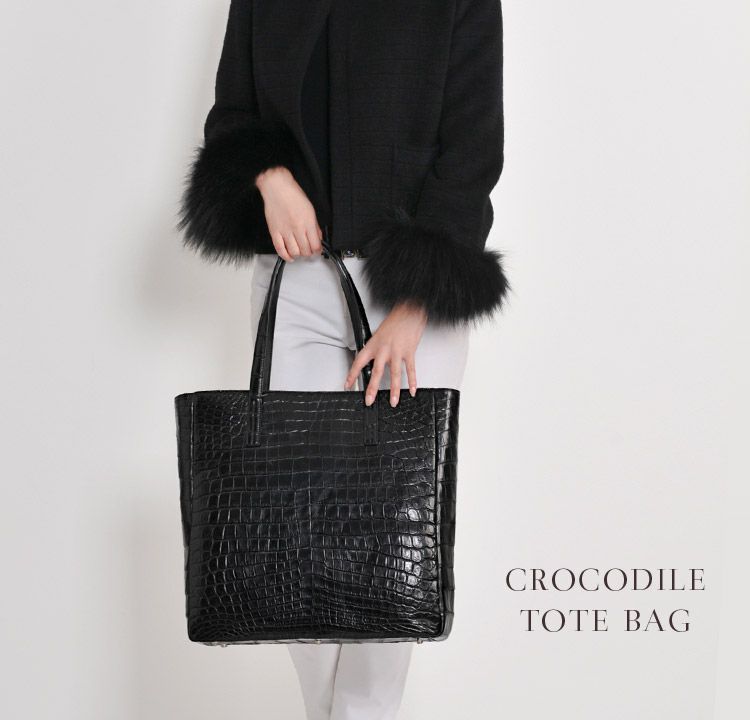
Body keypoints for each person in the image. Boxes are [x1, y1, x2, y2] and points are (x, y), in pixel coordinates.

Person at [176, 2, 508, 718]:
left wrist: (414, 307)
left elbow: (473, 152)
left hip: (413, 294)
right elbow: (233, 113)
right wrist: (272, 179)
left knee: (392, 539)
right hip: (295, 280)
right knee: (293, 529)